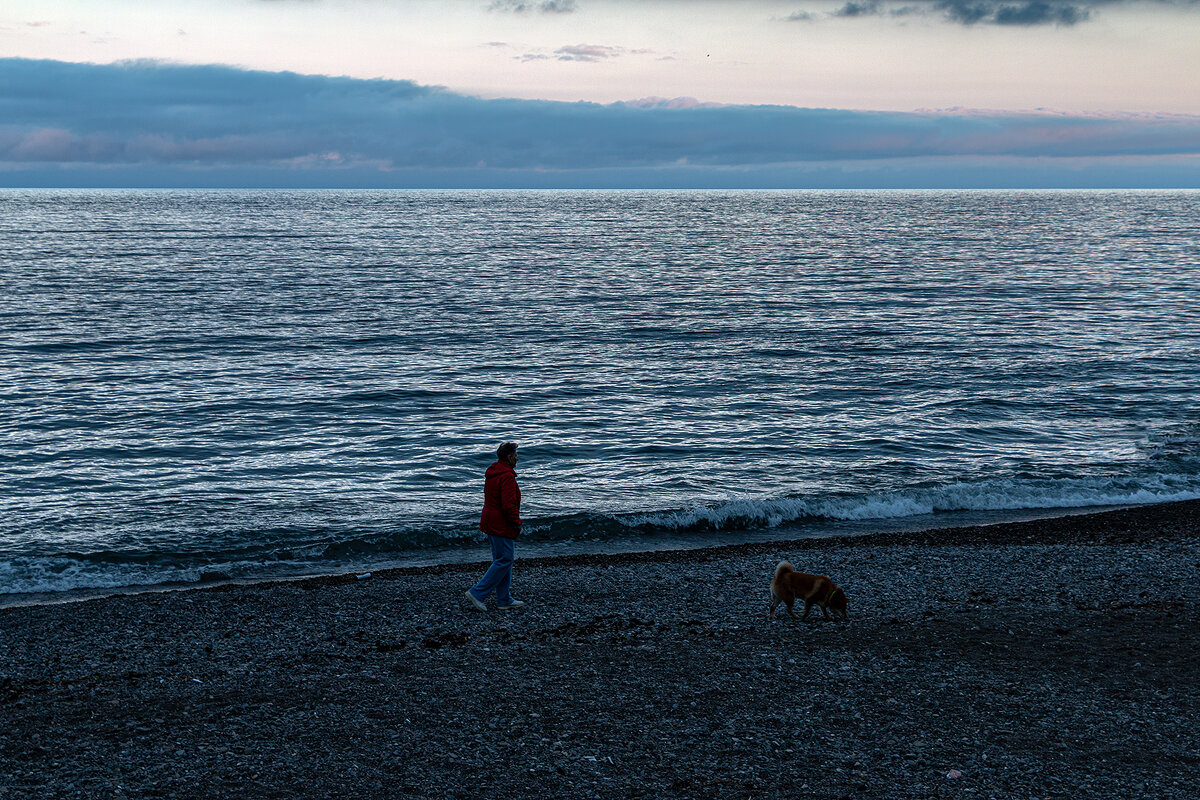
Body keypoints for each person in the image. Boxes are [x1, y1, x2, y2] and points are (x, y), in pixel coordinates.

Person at [465, 441, 526, 611]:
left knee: (502, 559)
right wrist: (516, 523)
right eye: (515, 455)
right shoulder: (506, 476)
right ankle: (477, 593)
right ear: (509, 457)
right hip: (501, 521)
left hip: (490, 519)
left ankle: (504, 598)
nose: (517, 458)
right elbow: (508, 505)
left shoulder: (494, 472)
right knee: (505, 559)